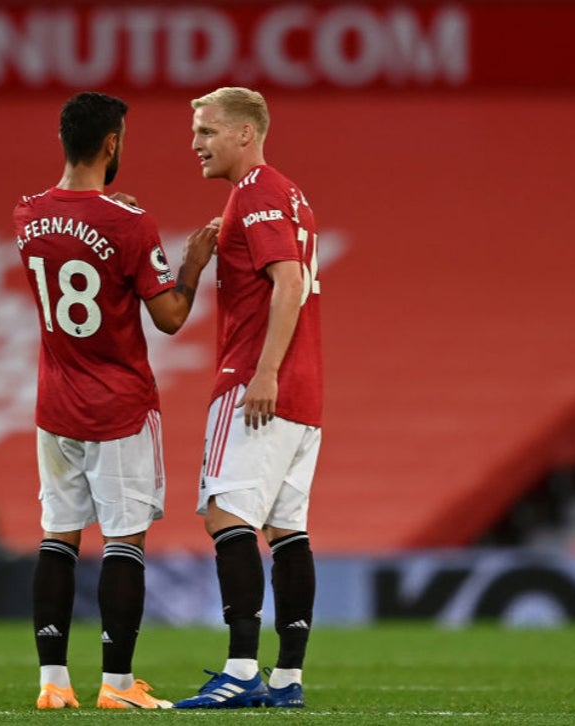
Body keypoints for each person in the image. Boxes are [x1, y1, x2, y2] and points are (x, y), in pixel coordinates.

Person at [14, 92, 217, 710]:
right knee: (124, 542)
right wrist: (192, 265)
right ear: (111, 144)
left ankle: (53, 683)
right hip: (119, 407)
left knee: (58, 537)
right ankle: (118, 685)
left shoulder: (26, 215)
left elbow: (73, 228)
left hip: (56, 404)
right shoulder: (131, 223)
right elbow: (170, 316)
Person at [173, 87, 322, 710]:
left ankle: (240, 671)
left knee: (225, 516)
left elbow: (288, 282)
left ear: (245, 134)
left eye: (207, 131)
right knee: (287, 530)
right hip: (306, 391)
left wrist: (264, 372)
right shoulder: (288, 193)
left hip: (256, 384)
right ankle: (286, 678)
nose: (196, 143)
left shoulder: (256, 193)